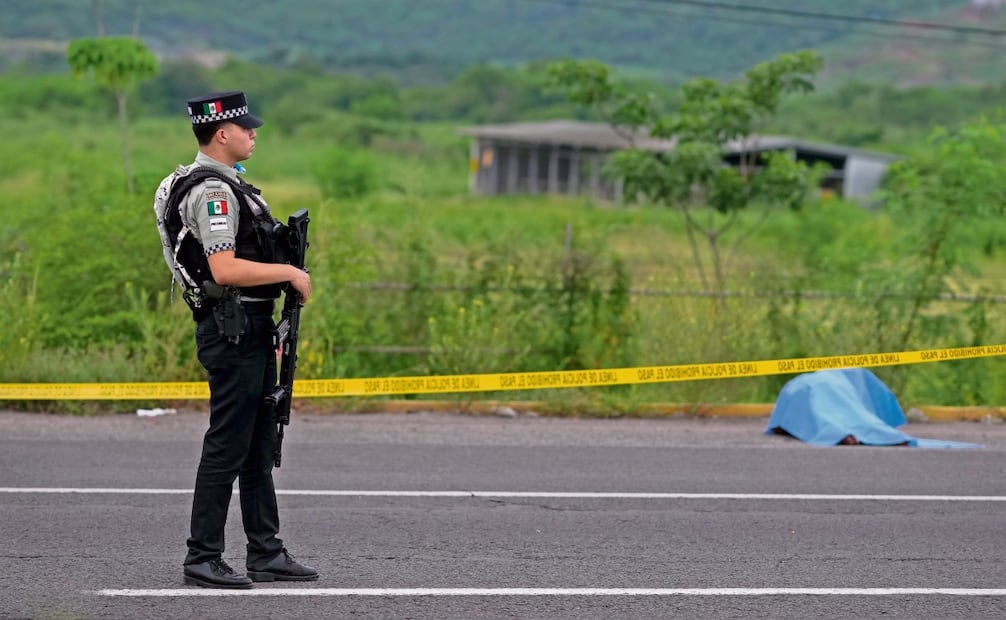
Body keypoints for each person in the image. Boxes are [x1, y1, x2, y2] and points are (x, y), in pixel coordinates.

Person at [166, 90, 317, 589]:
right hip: (231, 330)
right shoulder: (214, 192)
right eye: (245, 127)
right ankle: (202, 556)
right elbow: (224, 267)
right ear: (221, 133)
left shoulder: (221, 185)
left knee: (256, 444)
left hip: (249, 327)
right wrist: (289, 273)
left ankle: (266, 552)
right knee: (228, 444)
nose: (253, 133)